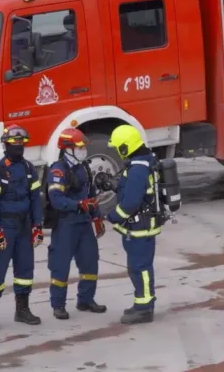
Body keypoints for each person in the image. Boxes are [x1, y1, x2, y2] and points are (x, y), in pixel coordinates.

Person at [0, 125, 43, 330]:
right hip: (5, 227)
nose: (19, 147)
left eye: (21, 143)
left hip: (24, 226)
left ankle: (22, 310)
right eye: (15, 143)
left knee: (25, 268)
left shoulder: (29, 168)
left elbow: (35, 199)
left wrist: (37, 225)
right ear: (6, 145)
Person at [45, 127, 106, 320]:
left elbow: (91, 195)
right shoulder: (58, 170)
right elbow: (56, 199)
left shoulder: (84, 168)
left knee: (90, 261)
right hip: (66, 224)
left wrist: (96, 217)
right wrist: (78, 205)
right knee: (60, 265)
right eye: (79, 147)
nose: (83, 151)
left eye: (83, 147)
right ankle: (58, 305)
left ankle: (85, 300)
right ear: (68, 148)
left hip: (84, 223)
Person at [106, 124, 161, 325]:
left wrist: (113, 216)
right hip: (141, 226)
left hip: (140, 229)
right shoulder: (144, 161)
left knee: (140, 268)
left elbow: (130, 203)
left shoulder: (138, 169)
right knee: (138, 267)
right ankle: (142, 303)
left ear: (125, 147)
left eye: (117, 148)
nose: (116, 151)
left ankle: (144, 309)